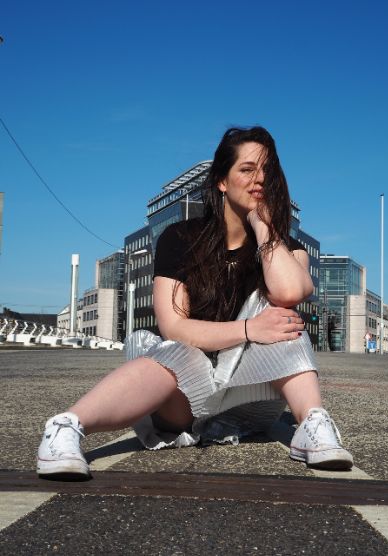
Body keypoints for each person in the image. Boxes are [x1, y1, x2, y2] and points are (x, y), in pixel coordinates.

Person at [37, 126, 353, 478]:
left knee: (283, 321)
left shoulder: (283, 246)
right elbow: (175, 326)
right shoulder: (180, 237)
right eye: (247, 170)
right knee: (172, 354)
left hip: (248, 399)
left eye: (267, 171)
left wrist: (263, 226)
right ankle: (66, 429)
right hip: (185, 394)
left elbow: (291, 292)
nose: (259, 179)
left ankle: (312, 424)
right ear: (222, 180)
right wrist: (249, 329)